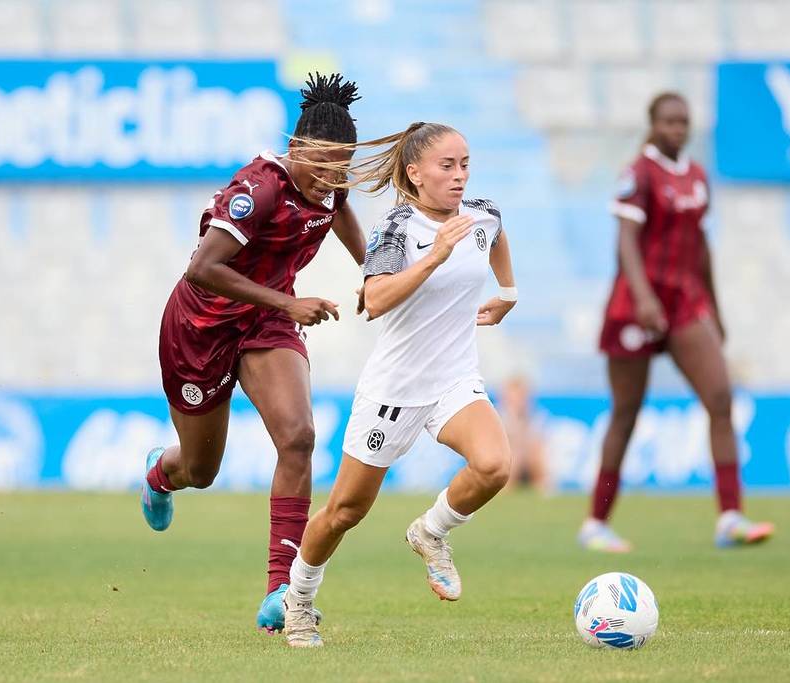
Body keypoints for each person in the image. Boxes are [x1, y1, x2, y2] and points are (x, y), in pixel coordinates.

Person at [140, 73, 372, 632]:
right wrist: (287, 303)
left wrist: (374, 270)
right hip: (201, 325)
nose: (330, 180)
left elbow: (337, 209)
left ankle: (281, 589)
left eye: (341, 168)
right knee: (202, 469)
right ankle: (160, 474)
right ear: (295, 149)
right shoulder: (258, 189)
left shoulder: (328, 181)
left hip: (266, 320)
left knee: (299, 437)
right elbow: (202, 268)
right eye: (321, 167)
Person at [279, 122, 518, 648]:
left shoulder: (481, 214)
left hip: (454, 380)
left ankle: (430, 531)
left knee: (495, 464)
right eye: (446, 166)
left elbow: (496, 235)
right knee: (345, 511)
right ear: (414, 173)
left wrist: (508, 291)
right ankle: (298, 599)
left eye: (465, 164)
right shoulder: (397, 230)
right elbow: (377, 299)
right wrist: (435, 256)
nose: (459, 176)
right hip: (394, 391)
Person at [580, 92, 774, 552]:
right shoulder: (638, 173)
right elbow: (625, 242)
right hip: (635, 303)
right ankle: (595, 523)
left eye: (684, 122)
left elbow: (701, 248)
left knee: (721, 397)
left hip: (685, 303)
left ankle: (730, 517)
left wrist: (716, 310)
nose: (677, 129)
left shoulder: (697, 177)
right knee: (626, 413)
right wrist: (645, 299)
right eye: (669, 121)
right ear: (653, 123)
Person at [499, 375, 550, 493]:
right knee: (514, 457)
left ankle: (542, 488)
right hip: (510, 459)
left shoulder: (536, 415)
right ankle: (506, 490)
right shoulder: (500, 415)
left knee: (536, 453)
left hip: (529, 459)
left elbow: (538, 442)